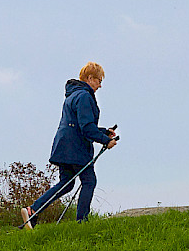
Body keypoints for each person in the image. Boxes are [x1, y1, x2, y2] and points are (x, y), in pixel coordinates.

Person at [22, 62, 117, 227]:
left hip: (64, 146)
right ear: (89, 78)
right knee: (89, 181)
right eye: (98, 80)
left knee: (66, 183)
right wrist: (106, 141)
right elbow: (86, 128)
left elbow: (79, 123)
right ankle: (82, 223)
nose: (100, 85)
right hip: (76, 148)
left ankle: (33, 210)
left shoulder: (72, 95)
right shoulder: (85, 96)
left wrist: (102, 131)